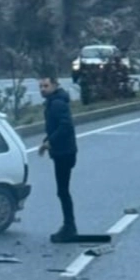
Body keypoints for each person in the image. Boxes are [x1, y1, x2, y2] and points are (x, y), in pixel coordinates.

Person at [38, 74, 79, 243]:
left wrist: (50, 142)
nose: (42, 89)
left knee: (63, 191)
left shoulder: (57, 103)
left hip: (64, 152)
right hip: (62, 151)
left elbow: (65, 126)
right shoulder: (54, 102)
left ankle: (69, 227)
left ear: (55, 85)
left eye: (45, 86)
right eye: (40, 86)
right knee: (62, 191)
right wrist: (48, 141)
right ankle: (69, 226)